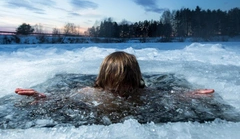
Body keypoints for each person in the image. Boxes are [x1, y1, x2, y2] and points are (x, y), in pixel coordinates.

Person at [15, 51, 214, 99]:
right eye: (115, 84)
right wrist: (43, 97)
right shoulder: (93, 92)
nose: (122, 90)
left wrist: (190, 95)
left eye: (127, 83)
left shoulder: (143, 92)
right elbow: (66, 98)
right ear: (103, 80)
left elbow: (166, 95)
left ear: (136, 80)